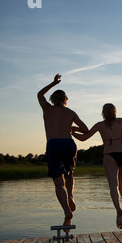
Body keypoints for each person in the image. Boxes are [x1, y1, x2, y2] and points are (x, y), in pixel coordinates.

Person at [72, 103, 122, 229]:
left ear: (103, 113)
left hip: (109, 155)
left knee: (113, 184)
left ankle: (118, 210)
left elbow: (84, 138)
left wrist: (72, 133)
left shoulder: (99, 125)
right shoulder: (121, 121)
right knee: (121, 176)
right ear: (115, 112)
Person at [37, 74, 89, 227]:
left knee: (58, 183)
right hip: (69, 143)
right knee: (69, 174)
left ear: (52, 99)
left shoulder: (47, 109)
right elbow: (86, 130)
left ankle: (67, 210)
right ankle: (71, 195)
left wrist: (53, 82)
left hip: (53, 144)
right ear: (66, 100)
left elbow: (40, 94)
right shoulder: (70, 113)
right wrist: (73, 128)